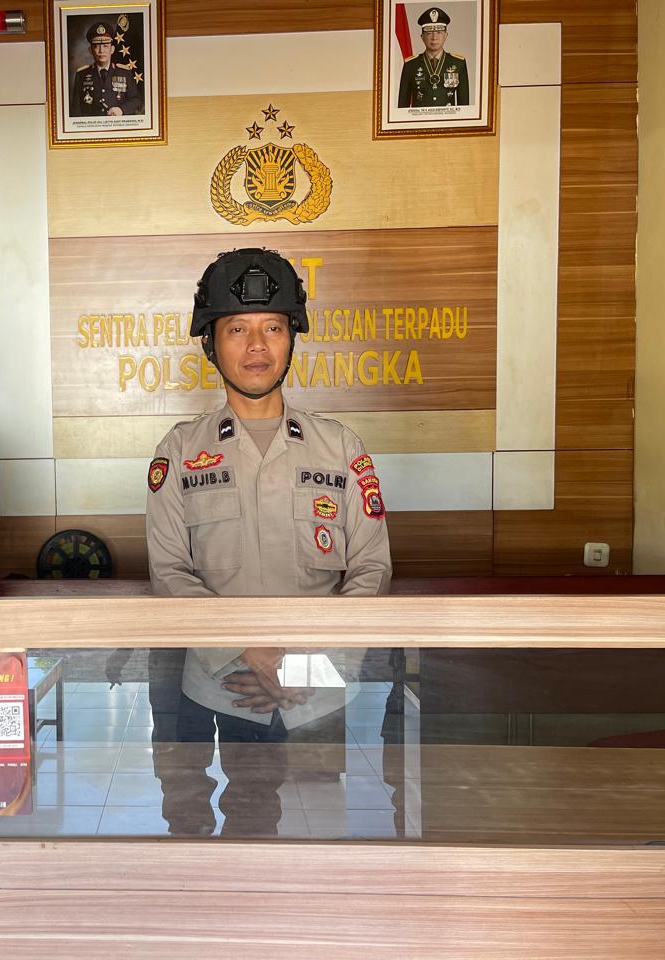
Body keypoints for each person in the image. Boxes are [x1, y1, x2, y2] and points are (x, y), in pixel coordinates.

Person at [144, 247, 392, 836]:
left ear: (292, 337)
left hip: (314, 690)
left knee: (277, 827)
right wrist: (247, 650)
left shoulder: (340, 448)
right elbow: (169, 571)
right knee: (191, 822)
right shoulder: (179, 451)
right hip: (216, 682)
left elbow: (372, 569)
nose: (257, 346)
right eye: (238, 329)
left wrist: (308, 666)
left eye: (273, 328)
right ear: (211, 343)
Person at [397, 7, 470, 108]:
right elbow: (402, 107)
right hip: (419, 118)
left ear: (446, 35)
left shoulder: (458, 63)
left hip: (448, 118)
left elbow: (464, 107)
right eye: (429, 33)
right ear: (422, 37)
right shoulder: (411, 65)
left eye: (439, 32)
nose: (434, 38)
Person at [69, 21, 144, 117]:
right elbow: (76, 110)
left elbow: (136, 100)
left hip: (118, 124)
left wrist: (121, 110)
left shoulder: (125, 72)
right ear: (90, 50)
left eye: (105, 46)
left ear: (112, 49)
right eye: (96, 46)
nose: (101, 51)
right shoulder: (82, 75)